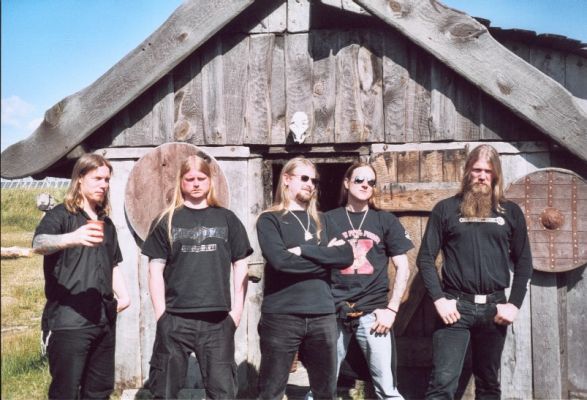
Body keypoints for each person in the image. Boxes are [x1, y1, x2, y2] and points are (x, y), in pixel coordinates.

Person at [417, 144, 533, 399]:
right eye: (477, 170)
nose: (482, 176)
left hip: (494, 309)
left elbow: (524, 261)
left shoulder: (510, 212)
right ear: (467, 171)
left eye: (488, 172)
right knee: (442, 384)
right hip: (455, 308)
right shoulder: (446, 209)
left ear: (496, 175)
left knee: (488, 383)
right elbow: (425, 258)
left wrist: (513, 304)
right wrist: (440, 300)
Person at [142, 155, 252, 399]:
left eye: (201, 178)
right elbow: (154, 270)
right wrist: (161, 315)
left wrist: (236, 313)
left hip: (217, 320)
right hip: (175, 318)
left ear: (209, 181)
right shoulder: (166, 220)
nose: (195, 183)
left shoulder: (227, 219)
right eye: (189, 178)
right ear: (181, 182)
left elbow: (240, 266)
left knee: (222, 392)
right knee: (164, 391)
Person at [33, 153, 130, 400]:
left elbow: (112, 263)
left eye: (106, 180)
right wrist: (72, 238)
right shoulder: (61, 215)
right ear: (79, 179)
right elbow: (39, 243)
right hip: (69, 321)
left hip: (103, 320)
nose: (103, 185)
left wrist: (124, 295)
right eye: (97, 178)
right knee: (65, 393)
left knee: (99, 391)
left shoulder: (106, 224)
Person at [256, 157, 354, 400]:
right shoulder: (270, 219)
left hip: (322, 314)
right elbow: (280, 262)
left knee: (325, 392)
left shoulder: (323, 220)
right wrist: (326, 260)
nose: (310, 184)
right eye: (304, 178)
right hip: (282, 315)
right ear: (286, 179)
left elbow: (346, 256)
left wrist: (303, 250)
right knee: (271, 391)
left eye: (314, 180)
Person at [325, 162, 413, 399]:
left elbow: (403, 267)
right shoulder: (327, 220)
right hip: (334, 312)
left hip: (374, 314)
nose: (365, 185)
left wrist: (391, 310)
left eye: (371, 182)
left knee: (387, 389)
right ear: (346, 183)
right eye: (359, 180)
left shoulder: (385, 220)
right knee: (321, 386)